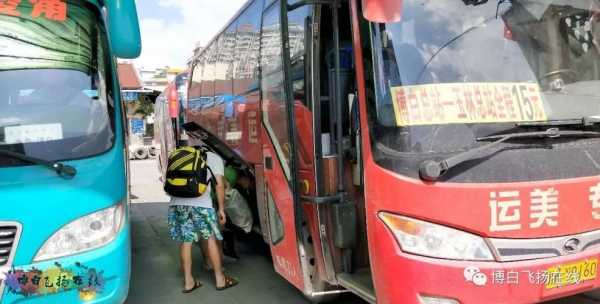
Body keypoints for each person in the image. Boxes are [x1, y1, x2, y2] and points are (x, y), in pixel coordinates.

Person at [167, 140, 238, 293]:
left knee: (186, 241)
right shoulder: (214, 157)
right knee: (210, 238)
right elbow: (219, 185)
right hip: (201, 204)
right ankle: (220, 279)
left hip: (178, 203)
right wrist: (221, 209)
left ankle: (188, 282)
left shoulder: (182, 155)